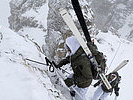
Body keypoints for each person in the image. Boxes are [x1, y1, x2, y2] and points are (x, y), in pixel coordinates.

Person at [55, 36, 106, 100]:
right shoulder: (76, 53)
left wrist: (73, 81)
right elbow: (69, 59)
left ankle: (76, 93)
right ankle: (72, 91)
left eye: (68, 48)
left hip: (84, 84)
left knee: (79, 98)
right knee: (70, 78)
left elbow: (88, 78)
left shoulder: (83, 60)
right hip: (78, 76)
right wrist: (59, 64)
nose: (67, 50)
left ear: (73, 46)